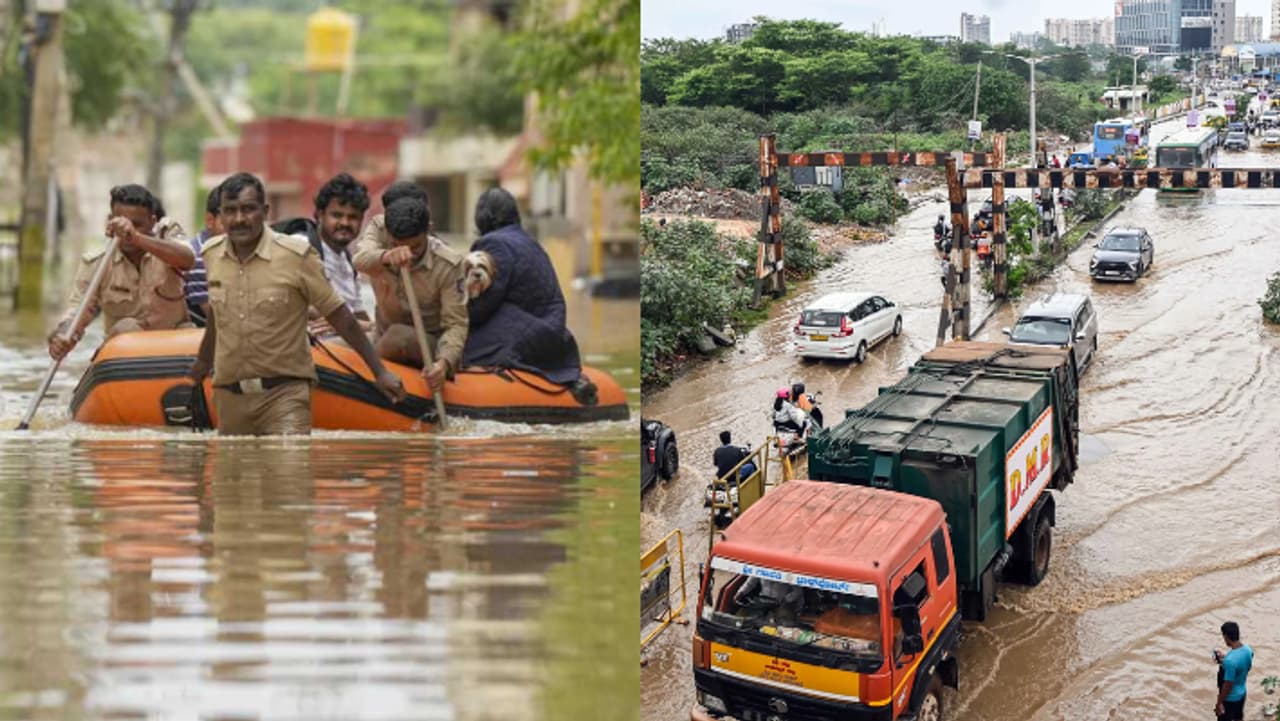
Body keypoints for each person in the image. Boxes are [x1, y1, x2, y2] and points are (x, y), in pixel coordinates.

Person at [188, 172, 404, 436]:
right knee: (234, 476)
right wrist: (202, 361)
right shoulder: (211, 254)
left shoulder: (295, 255)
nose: (239, 219)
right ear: (219, 214)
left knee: (290, 476)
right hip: (230, 397)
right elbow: (218, 316)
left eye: (248, 209)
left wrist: (379, 372)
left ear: (265, 211)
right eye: (230, 211)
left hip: (284, 396)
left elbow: (339, 315)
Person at [48, 184, 196, 360]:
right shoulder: (98, 263)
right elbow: (77, 312)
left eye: (137, 224)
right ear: (111, 221)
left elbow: (187, 259)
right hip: (125, 355)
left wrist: (137, 238)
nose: (126, 230)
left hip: (174, 345)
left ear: (153, 222)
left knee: (191, 334)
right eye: (122, 222)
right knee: (128, 327)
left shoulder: (167, 237)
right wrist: (62, 336)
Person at [461, 187, 585, 389]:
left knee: (455, 343)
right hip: (554, 333)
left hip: (524, 336)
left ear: (481, 218)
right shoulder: (530, 242)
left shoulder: (492, 243)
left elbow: (483, 306)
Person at [351, 196, 468, 392]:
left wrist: (443, 363)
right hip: (380, 336)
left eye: (416, 247)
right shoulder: (379, 228)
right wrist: (386, 256)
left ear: (428, 230)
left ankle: (367, 380)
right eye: (398, 245)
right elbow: (359, 260)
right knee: (336, 341)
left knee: (398, 335)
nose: (409, 254)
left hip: (427, 345)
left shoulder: (449, 265)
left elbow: (456, 324)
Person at [305, 173, 374, 336]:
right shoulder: (301, 246)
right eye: (337, 215)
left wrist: (372, 326)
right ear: (321, 214)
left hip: (345, 349)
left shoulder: (349, 264)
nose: (345, 223)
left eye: (353, 217)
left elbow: (358, 314)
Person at [184, 184, 223, 327]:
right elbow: (218, 319)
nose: (236, 222)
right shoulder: (198, 258)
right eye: (227, 216)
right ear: (210, 220)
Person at [1215, 621, 1253, 721]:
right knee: (1238, 718)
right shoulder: (1248, 650)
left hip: (1230, 700)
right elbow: (1245, 666)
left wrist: (1219, 703)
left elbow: (1228, 685)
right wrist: (1225, 658)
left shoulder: (1230, 661)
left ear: (1226, 636)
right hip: (1242, 693)